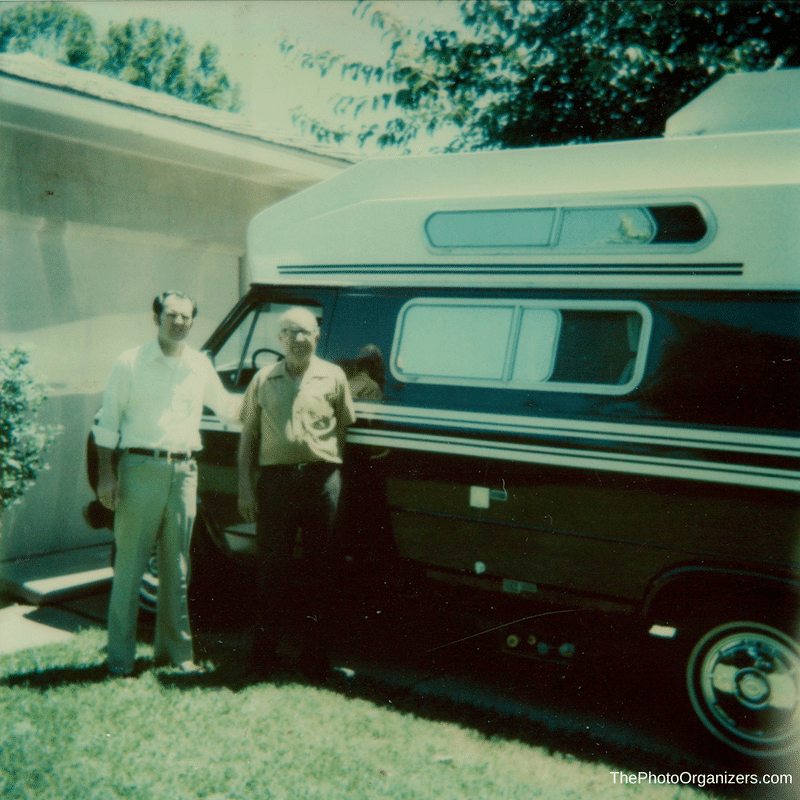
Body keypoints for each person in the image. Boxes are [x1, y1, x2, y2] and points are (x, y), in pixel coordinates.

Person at [94, 291, 239, 677]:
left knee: (177, 567)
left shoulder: (199, 365)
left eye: (186, 317)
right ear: (156, 316)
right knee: (130, 567)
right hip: (140, 468)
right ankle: (120, 659)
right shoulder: (130, 362)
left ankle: (175, 653)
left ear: (193, 322)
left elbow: (227, 407)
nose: (178, 322)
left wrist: (267, 395)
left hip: (184, 473)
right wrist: (107, 476)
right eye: (171, 315)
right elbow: (106, 425)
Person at [238, 306, 356, 681]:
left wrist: (327, 470)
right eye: (290, 332)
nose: (298, 338)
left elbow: (342, 432)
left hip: (322, 482)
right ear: (279, 339)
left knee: (323, 569)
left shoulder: (334, 376)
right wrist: (244, 487)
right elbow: (248, 439)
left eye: (305, 332)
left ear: (317, 337)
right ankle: (264, 654)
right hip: (275, 484)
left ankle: (314, 657)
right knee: (272, 568)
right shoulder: (263, 379)